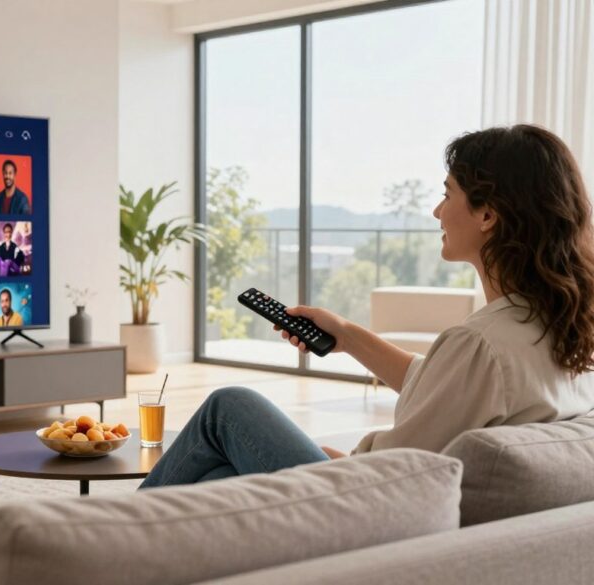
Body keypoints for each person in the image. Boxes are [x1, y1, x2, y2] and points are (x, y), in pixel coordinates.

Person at [141, 124, 594, 489]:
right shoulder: (556, 327)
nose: (437, 212)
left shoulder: (480, 345)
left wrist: (330, 460)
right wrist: (348, 336)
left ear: (487, 215)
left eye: (448, 193)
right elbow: (445, 387)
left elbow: (391, 476)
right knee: (218, 478)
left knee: (230, 407)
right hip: (412, 507)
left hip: (365, 510)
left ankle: (104, 547)